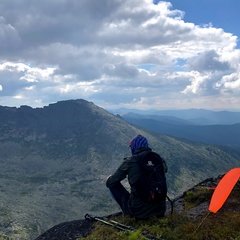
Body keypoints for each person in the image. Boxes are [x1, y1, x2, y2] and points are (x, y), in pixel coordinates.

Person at [106, 134, 168, 219]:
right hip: (160, 210)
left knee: (111, 184)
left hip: (139, 213)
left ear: (134, 147)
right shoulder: (158, 159)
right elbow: (165, 170)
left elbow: (111, 182)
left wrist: (109, 178)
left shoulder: (131, 161)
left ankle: (128, 214)